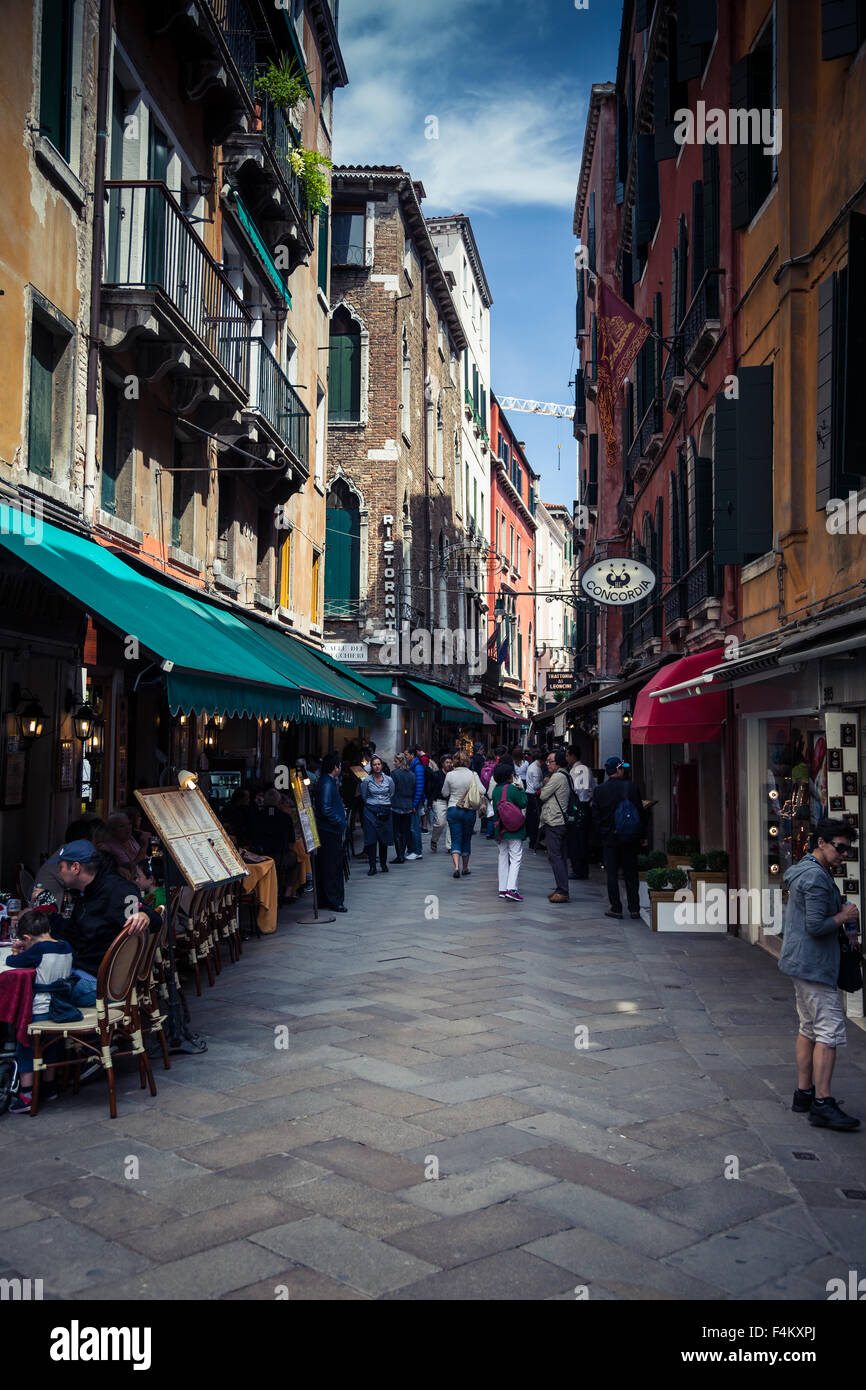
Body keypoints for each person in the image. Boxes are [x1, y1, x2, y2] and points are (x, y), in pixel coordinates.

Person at [778, 818, 861, 1131]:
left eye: (847, 850)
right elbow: (815, 927)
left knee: (810, 1027)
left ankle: (804, 1094)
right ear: (821, 843)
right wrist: (845, 916)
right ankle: (823, 1104)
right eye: (840, 848)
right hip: (814, 965)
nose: (843, 855)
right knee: (829, 1031)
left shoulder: (811, 869)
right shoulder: (814, 876)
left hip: (804, 964)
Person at [51, 841, 160, 1000]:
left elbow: (154, 919)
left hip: (101, 985)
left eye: (60, 867)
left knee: (39, 996)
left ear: (75, 868)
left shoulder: (117, 890)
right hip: (90, 974)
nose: (58, 872)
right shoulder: (85, 893)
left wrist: (145, 915)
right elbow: (71, 935)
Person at [6, 908, 74, 1113]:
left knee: (25, 1047)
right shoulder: (66, 946)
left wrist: (19, 952)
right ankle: (49, 1087)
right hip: (61, 1008)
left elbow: (12, 962)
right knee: (52, 1048)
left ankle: (26, 1094)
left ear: (27, 937)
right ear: (49, 928)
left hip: (40, 1009)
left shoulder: (37, 950)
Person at [592, 757, 645, 919]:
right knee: (631, 872)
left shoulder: (600, 790)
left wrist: (603, 833)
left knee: (612, 873)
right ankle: (634, 908)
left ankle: (616, 907)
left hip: (610, 837)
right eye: (622, 768)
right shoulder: (631, 788)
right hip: (629, 836)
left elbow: (596, 816)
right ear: (618, 770)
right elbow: (640, 813)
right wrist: (643, 835)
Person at [31, 815, 106, 910]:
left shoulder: (66, 852)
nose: (95, 844)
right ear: (84, 841)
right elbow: (90, 884)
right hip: (50, 911)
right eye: (94, 840)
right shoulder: (68, 858)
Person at [315, 753, 348, 912]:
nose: (340, 768)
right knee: (332, 867)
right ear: (335, 767)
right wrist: (340, 822)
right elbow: (326, 809)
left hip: (327, 830)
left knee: (328, 865)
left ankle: (326, 898)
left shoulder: (326, 781)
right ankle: (334, 900)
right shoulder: (327, 784)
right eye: (339, 765)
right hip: (330, 831)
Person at [539, 748, 573, 902]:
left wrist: (546, 783)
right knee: (560, 855)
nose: (547, 764)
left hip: (555, 820)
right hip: (561, 820)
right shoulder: (565, 774)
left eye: (550, 761)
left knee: (555, 856)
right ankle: (561, 888)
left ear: (558, 762)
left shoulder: (558, 776)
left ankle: (563, 890)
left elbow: (543, 795)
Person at [492, 761, 528, 901]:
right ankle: (511, 889)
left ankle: (502, 888)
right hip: (514, 828)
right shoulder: (513, 789)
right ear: (509, 776)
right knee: (515, 857)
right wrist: (521, 790)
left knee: (502, 856)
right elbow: (523, 803)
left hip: (500, 828)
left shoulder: (495, 790)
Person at [441, 750, 478, 879]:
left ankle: (456, 867)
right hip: (469, 810)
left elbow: (445, 793)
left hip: (453, 808)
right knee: (466, 839)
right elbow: (483, 790)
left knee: (455, 838)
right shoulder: (473, 774)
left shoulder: (450, 775)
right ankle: (465, 867)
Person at [359, 755, 395, 875]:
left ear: (382, 765)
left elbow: (392, 793)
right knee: (371, 839)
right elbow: (364, 796)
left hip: (385, 810)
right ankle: (372, 866)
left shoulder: (389, 780)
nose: (377, 766)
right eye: (374, 764)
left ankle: (383, 864)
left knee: (383, 839)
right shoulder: (367, 781)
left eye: (379, 764)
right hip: (371, 811)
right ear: (372, 767)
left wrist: (383, 803)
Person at [565, 746, 596, 880]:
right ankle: (580, 868)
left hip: (580, 807)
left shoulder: (579, 770)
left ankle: (579, 869)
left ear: (573, 755)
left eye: (567, 755)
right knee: (579, 839)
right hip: (583, 806)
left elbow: (579, 791)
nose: (566, 758)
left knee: (578, 839)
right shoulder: (581, 769)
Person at [390, 755, 416, 864]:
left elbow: (392, 789)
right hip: (408, 805)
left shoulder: (394, 773)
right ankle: (402, 853)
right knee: (405, 831)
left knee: (396, 831)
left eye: (395, 761)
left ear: (400, 762)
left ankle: (399, 855)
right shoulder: (412, 775)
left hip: (396, 804)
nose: (394, 763)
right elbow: (414, 789)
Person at [428, 753, 453, 854]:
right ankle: (434, 839)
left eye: (450, 762)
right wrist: (429, 803)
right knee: (440, 823)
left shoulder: (453, 774)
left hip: (451, 801)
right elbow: (431, 789)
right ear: (442, 763)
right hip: (439, 801)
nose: (449, 764)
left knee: (450, 824)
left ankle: (450, 846)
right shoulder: (436, 774)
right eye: (447, 762)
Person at [405, 747, 426, 860]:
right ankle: (414, 850)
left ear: (412, 755)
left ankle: (417, 851)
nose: (406, 757)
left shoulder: (417, 767)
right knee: (413, 826)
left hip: (415, 801)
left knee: (415, 827)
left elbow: (419, 787)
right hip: (414, 800)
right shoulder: (414, 766)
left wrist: (414, 804)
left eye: (407, 754)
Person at [525, 746, 545, 849]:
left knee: (533, 819)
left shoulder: (532, 766)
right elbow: (536, 785)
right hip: (533, 796)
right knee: (535, 820)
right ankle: (534, 841)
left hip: (530, 795)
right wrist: (545, 782)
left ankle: (534, 840)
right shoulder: (536, 769)